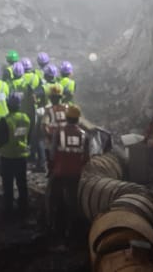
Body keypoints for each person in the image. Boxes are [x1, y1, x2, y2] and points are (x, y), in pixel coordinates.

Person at [43, 85, 86, 238]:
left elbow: (53, 153)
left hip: (60, 170)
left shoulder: (58, 131)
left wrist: (51, 166)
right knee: (73, 201)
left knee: (52, 196)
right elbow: (86, 156)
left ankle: (52, 226)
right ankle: (72, 229)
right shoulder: (83, 134)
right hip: (75, 173)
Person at [0, 93, 30, 221]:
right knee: (22, 183)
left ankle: (8, 210)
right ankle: (24, 209)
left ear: (8, 106)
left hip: (8, 157)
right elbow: (28, 136)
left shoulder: (5, 121)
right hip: (22, 155)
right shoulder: (26, 118)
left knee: (8, 185)